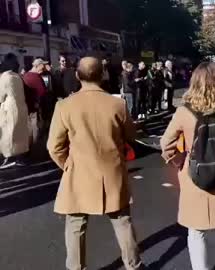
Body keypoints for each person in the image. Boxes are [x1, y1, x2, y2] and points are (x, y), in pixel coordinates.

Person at [47, 57, 144, 270]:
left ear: (77, 76)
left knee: (75, 224)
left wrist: (67, 165)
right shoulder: (117, 104)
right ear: (103, 74)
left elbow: (54, 146)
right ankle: (133, 265)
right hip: (112, 171)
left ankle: (76, 267)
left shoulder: (64, 106)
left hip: (79, 171)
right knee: (122, 221)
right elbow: (131, 135)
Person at [160, 62, 215, 270]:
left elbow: (165, 143)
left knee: (196, 230)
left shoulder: (183, 112)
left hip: (193, 173)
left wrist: (179, 161)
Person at [0, 53, 30, 169]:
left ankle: (9, 158)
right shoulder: (17, 76)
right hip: (21, 107)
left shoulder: (4, 77)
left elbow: (0, 96)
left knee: (8, 134)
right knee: (20, 133)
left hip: (9, 108)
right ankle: (20, 157)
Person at [23, 58, 49, 146]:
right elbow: (42, 93)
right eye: (43, 65)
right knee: (36, 134)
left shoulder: (26, 75)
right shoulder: (34, 77)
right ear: (37, 66)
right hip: (36, 111)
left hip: (30, 110)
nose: (44, 67)